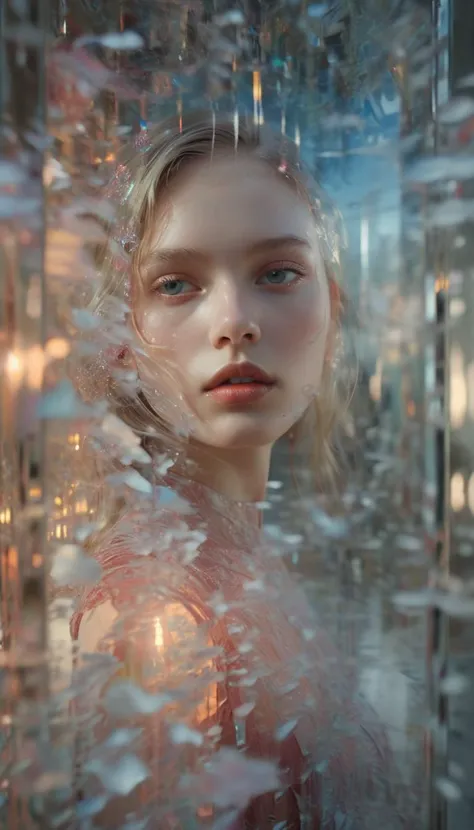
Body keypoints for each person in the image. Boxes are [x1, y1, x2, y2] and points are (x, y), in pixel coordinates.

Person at [69, 112, 406, 829]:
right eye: (176, 285)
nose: (235, 321)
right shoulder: (158, 617)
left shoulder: (238, 557)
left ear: (332, 310)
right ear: (122, 338)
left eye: (278, 272)